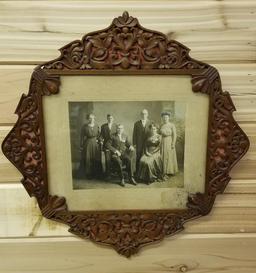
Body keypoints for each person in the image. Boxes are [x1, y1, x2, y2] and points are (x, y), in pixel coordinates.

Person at [80, 113, 102, 179]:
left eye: (93, 118)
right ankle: (88, 173)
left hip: (96, 144)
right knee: (88, 158)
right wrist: (81, 145)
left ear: (94, 118)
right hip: (88, 143)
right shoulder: (84, 126)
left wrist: (100, 140)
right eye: (90, 118)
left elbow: (99, 135)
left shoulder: (97, 126)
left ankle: (96, 173)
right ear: (88, 119)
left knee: (96, 157)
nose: (92, 119)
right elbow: (81, 136)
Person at [133, 109, 153, 174]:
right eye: (142, 114)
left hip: (148, 144)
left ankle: (146, 174)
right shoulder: (136, 123)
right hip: (139, 143)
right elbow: (134, 134)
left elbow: (153, 133)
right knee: (138, 157)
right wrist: (134, 144)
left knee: (147, 158)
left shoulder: (151, 123)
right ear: (141, 115)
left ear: (147, 115)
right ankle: (138, 173)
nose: (144, 115)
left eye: (145, 114)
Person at [160, 112, 178, 179]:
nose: (165, 119)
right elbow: (160, 135)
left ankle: (170, 171)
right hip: (163, 142)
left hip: (169, 141)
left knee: (169, 155)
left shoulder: (172, 125)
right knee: (163, 155)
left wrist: (173, 143)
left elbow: (174, 134)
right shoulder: (162, 125)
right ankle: (164, 171)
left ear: (169, 118)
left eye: (166, 117)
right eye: (164, 117)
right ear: (162, 118)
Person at [100, 114, 117, 178]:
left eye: (111, 118)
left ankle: (114, 172)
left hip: (114, 146)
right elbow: (101, 135)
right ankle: (108, 174)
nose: (110, 119)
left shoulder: (116, 126)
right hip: (106, 146)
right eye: (109, 118)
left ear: (113, 119)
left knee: (115, 159)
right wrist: (100, 140)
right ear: (107, 118)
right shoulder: (103, 126)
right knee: (107, 159)